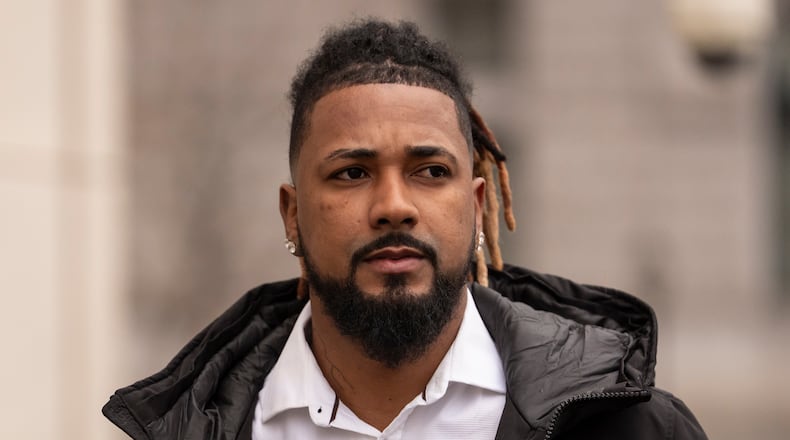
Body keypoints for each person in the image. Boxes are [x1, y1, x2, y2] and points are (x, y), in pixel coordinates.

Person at [103, 19, 708, 440]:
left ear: (476, 206)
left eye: (431, 171)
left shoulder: (634, 428)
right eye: (352, 172)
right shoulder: (195, 428)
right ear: (292, 214)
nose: (394, 206)